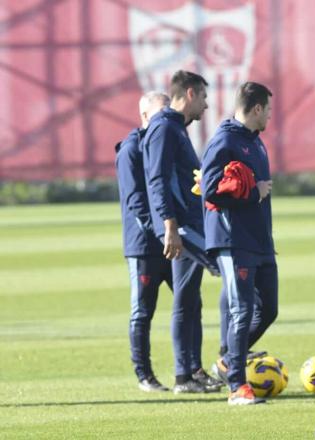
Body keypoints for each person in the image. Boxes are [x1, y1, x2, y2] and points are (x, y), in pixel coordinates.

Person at [141, 71, 220, 394]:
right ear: (190, 94)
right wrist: (170, 225)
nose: (206, 104)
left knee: (189, 300)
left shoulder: (175, 128)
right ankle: (223, 364)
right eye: (203, 97)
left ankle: (189, 373)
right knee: (232, 274)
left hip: (189, 223)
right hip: (183, 228)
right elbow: (157, 180)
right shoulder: (163, 127)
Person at [202, 81, 278, 405]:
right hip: (233, 240)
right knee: (241, 311)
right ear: (257, 108)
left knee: (269, 310)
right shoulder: (225, 139)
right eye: (269, 110)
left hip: (259, 240)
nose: (270, 117)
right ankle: (237, 387)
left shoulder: (255, 142)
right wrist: (252, 192)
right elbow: (209, 189)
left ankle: (227, 362)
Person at [115, 91, 172, 392]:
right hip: (145, 246)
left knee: (190, 305)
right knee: (142, 311)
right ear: (145, 116)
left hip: (172, 242)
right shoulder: (131, 149)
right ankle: (144, 375)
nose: (165, 119)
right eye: (160, 113)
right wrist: (163, 231)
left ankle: (191, 371)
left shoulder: (167, 145)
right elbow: (136, 201)